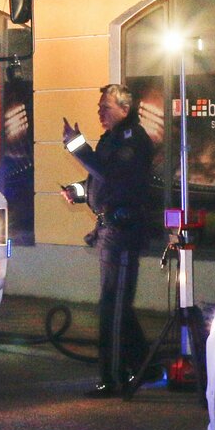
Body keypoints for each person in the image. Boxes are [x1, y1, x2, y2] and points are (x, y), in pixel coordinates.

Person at [61, 83, 158, 397]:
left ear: (124, 110)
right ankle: (146, 366)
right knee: (117, 306)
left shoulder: (133, 140)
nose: (100, 111)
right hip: (110, 228)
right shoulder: (113, 139)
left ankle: (113, 378)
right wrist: (77, 193)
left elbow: (114, 175)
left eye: (106, 106)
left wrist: (77, 146)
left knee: (112, 307)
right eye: (100, 106)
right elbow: (101, 182)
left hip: (123, 230)